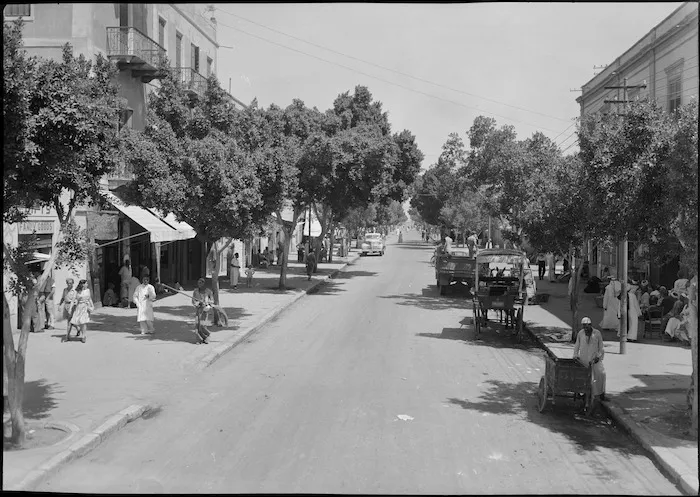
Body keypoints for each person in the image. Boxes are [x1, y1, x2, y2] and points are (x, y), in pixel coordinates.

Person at [573, 317, 607, 412]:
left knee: (601, 374)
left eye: (587, 326)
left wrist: (598, 357)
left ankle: (601, 393)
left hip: (594, 360)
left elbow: (601, 348)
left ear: (591, 325)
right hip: (584, 361)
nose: (586, 328)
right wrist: (575, 355)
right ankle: (583, 394)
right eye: (584, 326)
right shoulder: (580, 333)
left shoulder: (597, 334)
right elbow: (577, 346)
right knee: (584, 379)